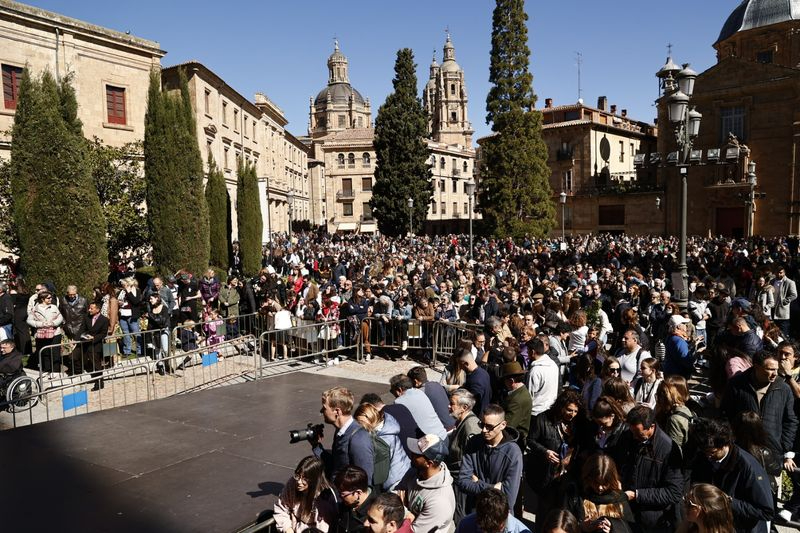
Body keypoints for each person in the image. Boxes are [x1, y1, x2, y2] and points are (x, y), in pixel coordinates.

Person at [689, 417, 774, 533]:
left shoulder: (748, 467)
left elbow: (766, 511)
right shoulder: (702, 457)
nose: (708, 456)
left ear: (725, 444)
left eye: (712, 452)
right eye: (705, 452)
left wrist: (727, 502)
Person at [615, 405, 683, 533]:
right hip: (626, 513)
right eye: (632, 432)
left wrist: (637, 495)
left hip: (652, 521)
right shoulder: (627, 436)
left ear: (651, 426)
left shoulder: (668, 450)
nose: (634, 437)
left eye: (638, 434)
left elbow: (674, 492)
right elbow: (618, 463)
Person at [721, 349, 798, 461]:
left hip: (773, 454)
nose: (775, 374)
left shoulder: (783, 388)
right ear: (756, 367)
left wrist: (784, 446)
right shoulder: (736, 384)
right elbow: (725, 415)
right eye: (770, 369)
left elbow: (790, 420)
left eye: (776, 369)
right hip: (742, 452)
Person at [526, 389, 584, 526]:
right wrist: (545, 452)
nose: (573, 414)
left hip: (567, 474)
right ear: (561, 406)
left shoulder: (577, 423)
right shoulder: (543, 419)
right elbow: (530, 440)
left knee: (562, 512)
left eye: (576, 411)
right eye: (569, 410)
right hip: (547, 474)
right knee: (544, 511)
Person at [457, 404, 523, 516]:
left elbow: (509, 497)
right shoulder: (474, 442)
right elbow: (463, 482)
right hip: (475, 512)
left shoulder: (513, 452)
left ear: (503, 425)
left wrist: (477, 483)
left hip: (499, 516)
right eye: (482, 424)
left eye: (489, 427)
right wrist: (494, 488)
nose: (483, 430)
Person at [312, 386, 374, 483]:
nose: (321, 411)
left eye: (324, 408)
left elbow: (365, 480)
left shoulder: (358, 439)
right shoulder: (341, 431)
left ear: (337, 411)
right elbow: (336, 465)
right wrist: (316, 445)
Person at [396, 434, 456, 533]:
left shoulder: (440, 501)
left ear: (429, 463)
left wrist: (404, 511)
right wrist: (408, 514)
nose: (411, 454)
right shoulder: (415, 470)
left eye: (417, 454)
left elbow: (412, 531)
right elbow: (396, 493)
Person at [561, 453, 634, 533]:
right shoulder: (575, 494)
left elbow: (629, 527)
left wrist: (614, 527)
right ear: (588, 478)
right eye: (596, 483)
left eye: (605, 484)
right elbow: (563, 525)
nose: (600, 488)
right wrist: (580, 527)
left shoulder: (618, 497)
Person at [354, 402, 411, 492]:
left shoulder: (383, 440)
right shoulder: (386, 427)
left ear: (370, 420)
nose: (359, 427)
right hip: (405, 471)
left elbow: (378, 474)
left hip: (396, 483)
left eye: (360, 424)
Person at [274, 456, 337, 533]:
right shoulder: (292, 483)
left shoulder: (324, 498)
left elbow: (321, 529)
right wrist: (287, 528)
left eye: (305, 479)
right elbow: (281, 508)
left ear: (314, 480)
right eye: (298, 475)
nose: (299, 482)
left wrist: (296, 526)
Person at [447, 388, 481, 522]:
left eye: (452, 403)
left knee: (461, 515)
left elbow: (473, 458)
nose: (449, 406)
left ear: (464, 407)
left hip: (461, 479)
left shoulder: (471, 427)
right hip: (456, 476)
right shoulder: (461, 421)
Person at [389, 374, 447, 441]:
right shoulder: (420, 392)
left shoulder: (399, 402)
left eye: (392, 391)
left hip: (430, 443)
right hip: (442, 435)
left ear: (399, 390)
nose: (392, 393)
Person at [456, 488, 531, 533]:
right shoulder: (465, 525)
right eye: (484, 530)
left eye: (496, 531)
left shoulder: (520, 531)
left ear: (507, 513)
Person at [407, 366, 456, 430]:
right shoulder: (437, 384)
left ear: (416, 382)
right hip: (454, 423)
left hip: (443, 429)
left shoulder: (420, 392)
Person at [333, 465, 378, 533]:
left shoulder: (376, 513)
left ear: (358, 493)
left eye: (343, 495)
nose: (339, 497)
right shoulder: (346, 505)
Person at [27, 291, 64, 372]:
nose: (51, 299)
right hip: (41, 334)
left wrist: (53, 323)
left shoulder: (54, 307)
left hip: (55, 334)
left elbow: (60, 317)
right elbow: (29, 320)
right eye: (48, 298)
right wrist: (41, 324)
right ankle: (47, 370)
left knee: (55, 353)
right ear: (42, 299)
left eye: (51, 297)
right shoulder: (35, 309)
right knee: (45, 353)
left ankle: (56, 372)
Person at [654, 375, 694, 450]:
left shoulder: (674, 419)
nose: (659, 397)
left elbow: (674, 449)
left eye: (663, 394)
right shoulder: (685, 408)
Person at [526, 337, 559, 418]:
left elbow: (529, 396)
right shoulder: (553, 365)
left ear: (533, 352)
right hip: (550, 408)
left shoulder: (535, 371)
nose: (527, 353)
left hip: (536, 412)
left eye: (528, 351)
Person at [500, 361, 532, 444]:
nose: (504, 383)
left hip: (515, 441)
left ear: (511, 381)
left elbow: (508, 425)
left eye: (505, 380)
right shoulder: (520, 391)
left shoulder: (517, 401)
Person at [456, 348, 492, 416]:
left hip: (476, 417)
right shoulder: (484, 373)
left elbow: (469, 402)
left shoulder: (476, 381)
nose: (460, 367)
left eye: (460, 364)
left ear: (466, 364)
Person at [118, 277, 144, 357]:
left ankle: (140, 350)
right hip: (123, 314)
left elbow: (135, 301)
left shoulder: (136, 290)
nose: (123, 286)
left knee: (136, 333)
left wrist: (129, 292)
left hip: (132, 315)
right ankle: (127, 351)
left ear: (128, 284)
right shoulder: (122, 291)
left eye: (124, 284)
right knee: (126, 333)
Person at [146, 293, 171, 375]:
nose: (150, 300)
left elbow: (162, 321)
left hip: (163, 330)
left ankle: (167, 362)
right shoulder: (151, 309)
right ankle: (160, 365)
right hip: (155, 332)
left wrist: (150, 315)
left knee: (165, 349)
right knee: (157, 349)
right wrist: (148, 337)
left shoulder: (164, 308)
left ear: (157, 298)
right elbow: (150, 325)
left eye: (151, 298)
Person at [772, 264, 797, 339]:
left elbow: (794, 295)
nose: (779, 274)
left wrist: (784, 301)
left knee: (783, 334)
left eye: (781, 272)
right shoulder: (772, 281)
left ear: (784, 273)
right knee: (774, 333)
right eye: (777, 272)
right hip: (773, 310)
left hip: (783, 312)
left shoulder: (790, 282)